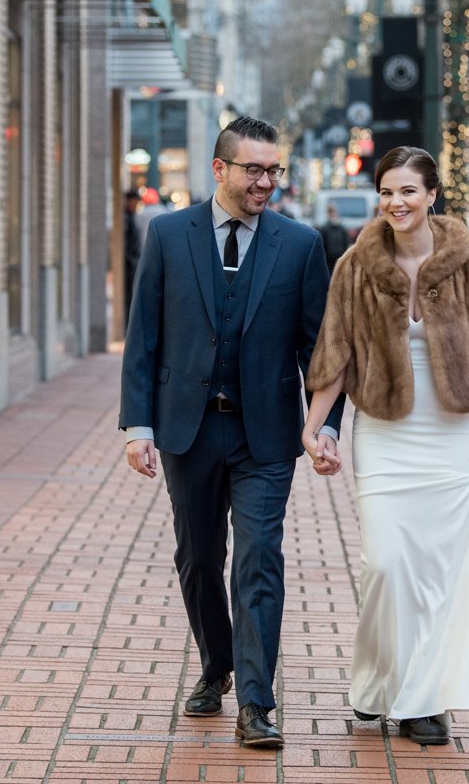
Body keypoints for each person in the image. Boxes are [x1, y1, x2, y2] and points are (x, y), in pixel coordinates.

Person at [119, 115, 345, 750]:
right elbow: (144, 337)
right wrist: (138, 426)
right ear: (219, 170)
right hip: (186, 432)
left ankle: (256, 702)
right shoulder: (168, 235)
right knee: (197, 561)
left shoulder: (299, 245)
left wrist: (323, 424)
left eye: (274, 170)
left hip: (265, 437)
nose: (266, 182)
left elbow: (319, 349)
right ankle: (216, 665)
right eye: (254, 170)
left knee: (258, 561)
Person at [300, 146, 469, 746]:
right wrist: (314, 426)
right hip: (383, 433)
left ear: (432, 194)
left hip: (450, 434)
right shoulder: (356, 264)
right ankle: (378, 684)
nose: (395, 202)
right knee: (384, 564)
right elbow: (336, 353)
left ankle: (422, 702)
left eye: (407, 191)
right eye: (386, 191)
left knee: (438, 575)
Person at [122, 189, 143, 329]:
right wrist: (131, 260)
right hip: (128, 263)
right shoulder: (125, 218)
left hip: (132, 262)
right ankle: (127, 326)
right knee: (129, 295)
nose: (136, 204)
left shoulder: (131, 216)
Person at [318, 203, 351, 273]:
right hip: (330, 259)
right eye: (330, 211)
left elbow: (346, 242)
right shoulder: (325, 228)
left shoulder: (340, 227)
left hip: (338, 257)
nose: (332, 213)